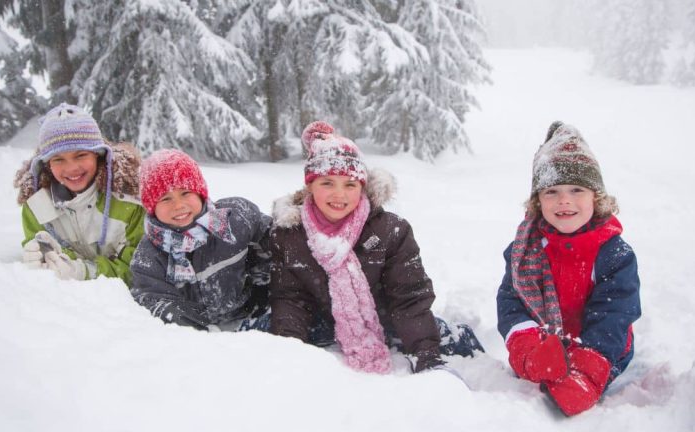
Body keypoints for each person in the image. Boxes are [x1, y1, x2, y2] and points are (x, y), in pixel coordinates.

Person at [268, 121, 483, 375]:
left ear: (362, 188)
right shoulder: (290, 235)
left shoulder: (390, 232)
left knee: (445, 337)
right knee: (266, 330)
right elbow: (292, 300)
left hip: (385, 320)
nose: (339, 195)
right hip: (322, 323)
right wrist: (289, 353)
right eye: (327, 183)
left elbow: (409, 299)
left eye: (350, 185)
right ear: (310, 186)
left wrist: (426, 355)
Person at [496, 121, 641, 416]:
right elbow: (512, 303)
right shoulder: (525, 250)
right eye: (551, 192)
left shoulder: (613, 253)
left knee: (572, 392)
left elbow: (614, 315)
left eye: (577, 190)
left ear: (596, 197)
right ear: (538, 201)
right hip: (544, 344)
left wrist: (588, 367)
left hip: (602, 348)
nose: (564, 200)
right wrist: (528, 350)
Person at [130, 149, 272, 330]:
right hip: (200, 337)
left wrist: (264, 292)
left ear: (200, 193)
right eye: (165, 199)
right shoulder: (148, 257)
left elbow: (277, 244)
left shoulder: (235, 219)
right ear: (152, 207)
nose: (179, 205)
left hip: (251, 316)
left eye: (185, 193)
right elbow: (155, 300)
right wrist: (199, 334)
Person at [14, 103, 145, 285]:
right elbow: (46, 260)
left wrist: (84, 271)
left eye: (81, 155)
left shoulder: (129, 202)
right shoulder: (37, 207)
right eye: (58, 159)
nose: (72, 168)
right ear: (47, 164)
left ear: (98, 155)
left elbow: (141, 270)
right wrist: (43, 258)